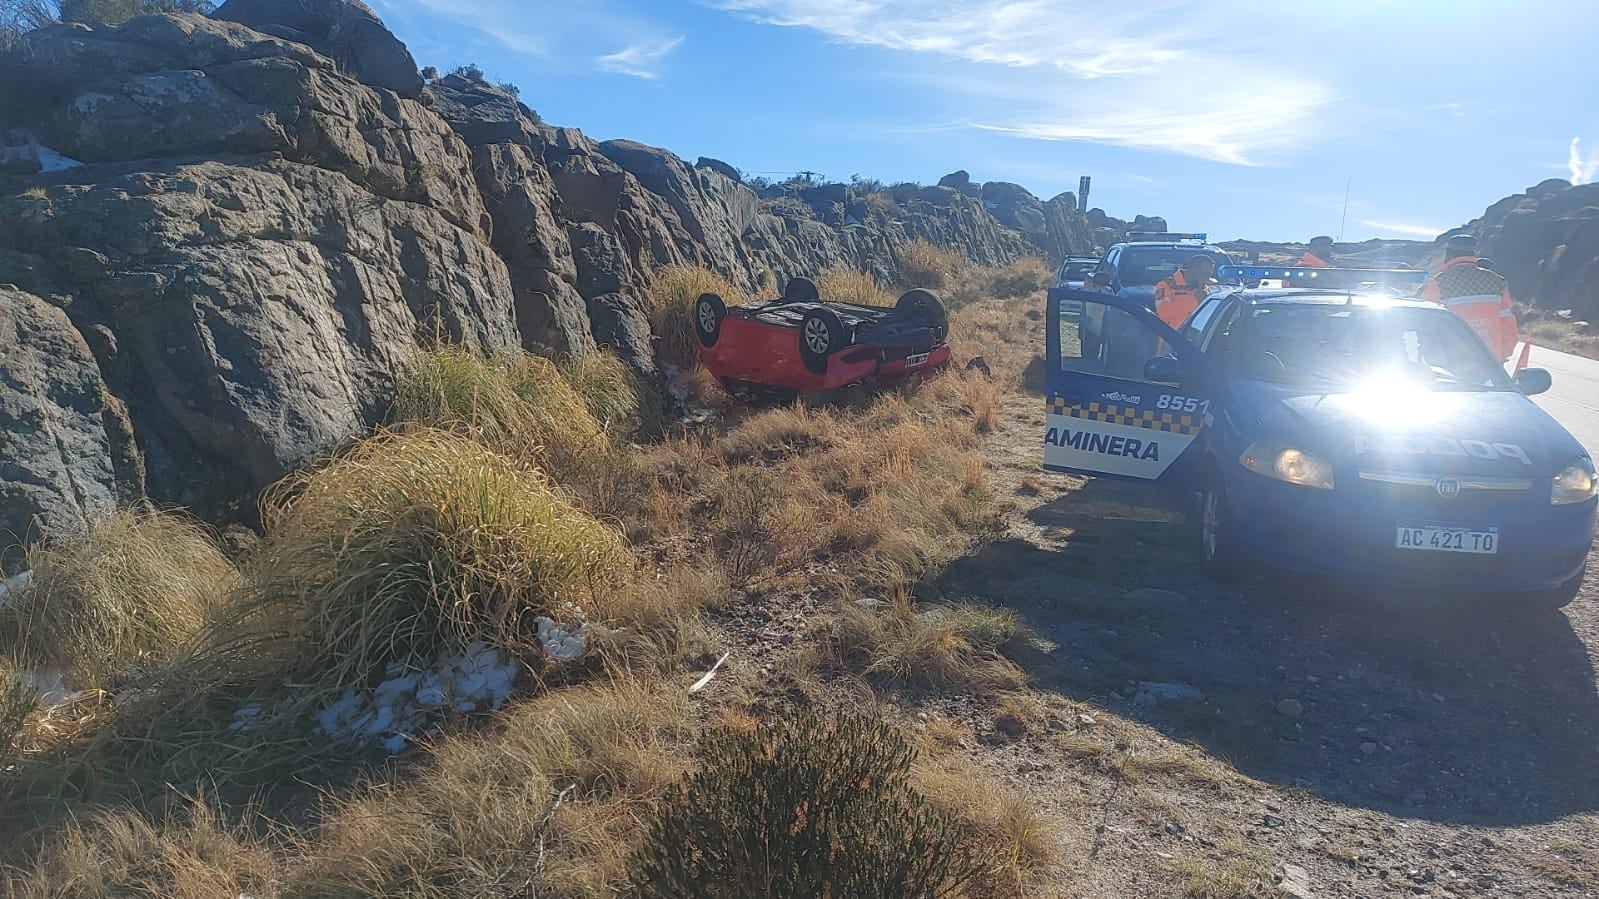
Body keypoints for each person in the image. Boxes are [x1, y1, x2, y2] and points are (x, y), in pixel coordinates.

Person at [1417, 234, 1519, 363]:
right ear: (1473, 254)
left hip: (1452, 366)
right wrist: (1501, 356)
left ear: (1448, 255)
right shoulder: (1497, 282)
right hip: (1490, 365)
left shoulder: (1437, 283)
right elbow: (1508, 326)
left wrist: (1430, 359)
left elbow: (1425, 329)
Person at [1153, 254, 1217, 331]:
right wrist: (1194, 300)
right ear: (1193, 269)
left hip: (1196, 337)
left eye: (1210, 274)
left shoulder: (1206, 286)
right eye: (1205, 274)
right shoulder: (1167, 285)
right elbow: (1162, 311)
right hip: (1171, 337)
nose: (1208, 277)